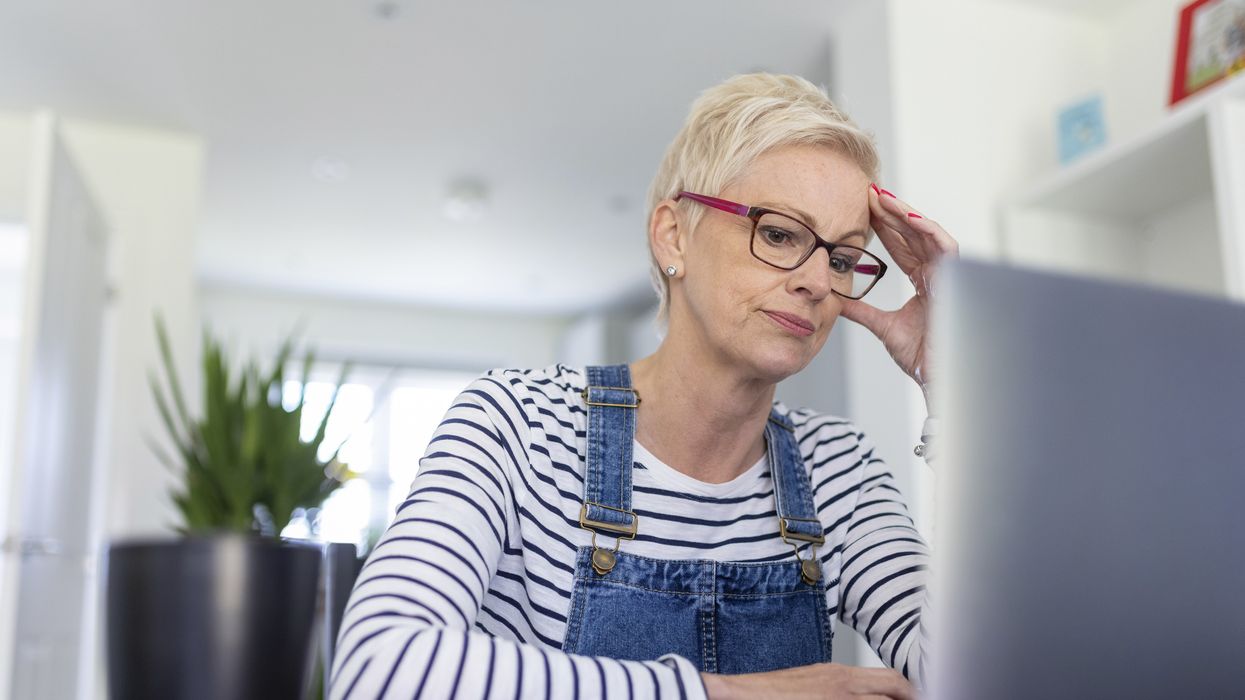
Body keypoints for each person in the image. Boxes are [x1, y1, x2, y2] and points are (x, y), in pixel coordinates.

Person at [330, 73, 958, 699]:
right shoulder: (516, 424)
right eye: (779, 233)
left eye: (842, 257)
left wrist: (956, 388)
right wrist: (737, 695)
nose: (818, 281)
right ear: (673, 235)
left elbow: (974, 680)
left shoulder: (838, 468)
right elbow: (380, 668)